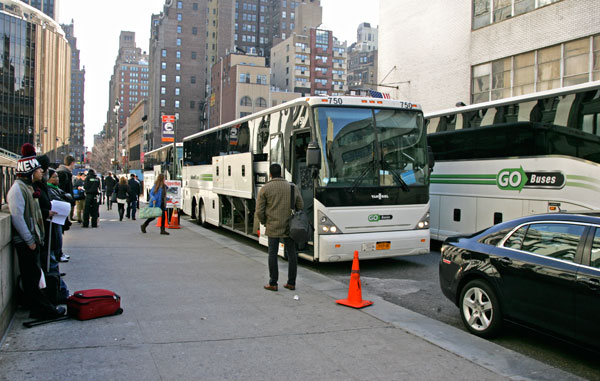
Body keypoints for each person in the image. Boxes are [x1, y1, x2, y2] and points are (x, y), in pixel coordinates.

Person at [7, 143, 65, 319]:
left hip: (31, 240)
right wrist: (29, 240)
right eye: (38, 170)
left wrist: (46, 213)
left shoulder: (27, 188)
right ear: (29, 171)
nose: (42, 173)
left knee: (34, 276)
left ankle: (39, 308)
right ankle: (42, 309)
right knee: (32, 278)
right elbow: (18, 217)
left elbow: (30, 213)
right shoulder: (18, 189)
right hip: (26, 242)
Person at [256, 163, 303, 291]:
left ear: (270, 174)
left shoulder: (265, 189)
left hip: (273, 225)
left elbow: (259, 211)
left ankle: (273, 283)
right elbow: (301, 206)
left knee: (272, 254)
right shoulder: (292, 187)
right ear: (281, 173)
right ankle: (291, 282)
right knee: (292, 254)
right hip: (289, 226)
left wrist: (265, 222)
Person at [43, 168, 71, 302]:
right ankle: (59, 291)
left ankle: (58, 288)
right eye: (54, 177)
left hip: (54, 227)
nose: (57, 179)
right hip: (49, 229)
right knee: (51, 259)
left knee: (53, 257)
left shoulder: (53, 189)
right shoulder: (48, 190)